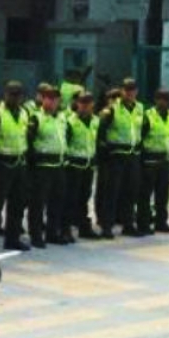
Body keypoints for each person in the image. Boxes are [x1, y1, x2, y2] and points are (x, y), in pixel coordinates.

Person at [0, 81, 32, 251]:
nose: (15, 98)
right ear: (5, 94)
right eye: (12, 94)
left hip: (19, 162)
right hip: (1, 163)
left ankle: (13, 238)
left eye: (18, 94)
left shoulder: (25, 113)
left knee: (17, 204)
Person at [96, 78, 144, 238]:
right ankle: (107, 226)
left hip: (133, 156)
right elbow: (100, 132)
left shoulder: (140, 108)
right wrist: (105, 154)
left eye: (133, 89)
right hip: (116, 156)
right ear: (122, 91)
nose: (130, 93)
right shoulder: (112, 110)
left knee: (131, 192)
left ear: (136, 91)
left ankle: (128, 224)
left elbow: (141, 131)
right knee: (112, 192)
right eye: (127, 89)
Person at [28, 83, 68, 247]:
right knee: (38, 203)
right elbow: (29, 141)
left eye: (55, 99)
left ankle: (52, 232)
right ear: (42, 99)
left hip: (58, 166)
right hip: (42, 167)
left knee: (56, 202)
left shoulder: (61, 118)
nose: (52, 102)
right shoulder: (36, 118)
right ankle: (36, 235)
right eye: (48, 98)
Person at [138, 87, 169, 235]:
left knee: (162, 195)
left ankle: (161, 222)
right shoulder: (148, 116)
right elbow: (139, 137)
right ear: (156, 100)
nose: (166, 102)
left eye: (168, 99)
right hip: (150, 161)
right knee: (145, 195)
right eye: (163, 99)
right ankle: (143, 223)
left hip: (164, 160)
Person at [64, 89, 99, 241]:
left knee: (84, 198)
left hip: (88, 165)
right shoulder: (70, 122)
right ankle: (66, 230)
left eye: (88, 103)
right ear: (77, 104)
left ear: (93, 104)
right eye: (82, 103)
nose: (85, 106)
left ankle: (84, 228)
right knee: (70, 199)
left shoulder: (96, 121)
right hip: (73, 165)